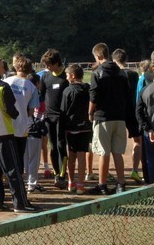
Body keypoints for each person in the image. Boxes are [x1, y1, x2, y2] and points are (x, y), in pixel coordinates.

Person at [0, 55, 36, 213]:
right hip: (4, 132)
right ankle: (20, 204)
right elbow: (12, 111)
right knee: (13, 170)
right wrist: (15, 113)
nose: (5, 70)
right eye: (2, 67)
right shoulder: (3, 87)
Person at [88, 42, 129, 195]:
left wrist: (90, 113)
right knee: (117, 152)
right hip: (119, 116)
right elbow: (126, 94)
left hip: (103, 117)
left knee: (103, 152)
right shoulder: (121, 73)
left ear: (98, 56)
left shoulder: (97, 73)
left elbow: (94, 96)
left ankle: (102, 184)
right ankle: (121, 183)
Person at [111, 48, 142, 183]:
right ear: (126, 59)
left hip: (117, 111)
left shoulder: (114, 74)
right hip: (132, 110)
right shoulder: (133, 75)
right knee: (137, 140)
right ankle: (135, 170)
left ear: (114, 60)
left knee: (113, 143)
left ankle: (116, 173)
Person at [39, 49, 69, 189]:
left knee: (61, 145)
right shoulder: (45, 77)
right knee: (52, 145)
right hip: (49, 117)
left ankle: (63, 174)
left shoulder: (66, 77)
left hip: (62, 117)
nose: (47, 68)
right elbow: (41, 95)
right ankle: (57, 174)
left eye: (49, 65)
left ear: (57, 63)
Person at [60, 64, 91, 195]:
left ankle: (71, 182)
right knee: (82, 155)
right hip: (84, 127)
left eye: (67, 75)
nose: (66, 77)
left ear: (72, 76)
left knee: (71, 155)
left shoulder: (67, 91)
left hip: (70, 128)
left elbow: (63, 110)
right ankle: (80, 184)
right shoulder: (88, 89)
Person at [4, 55, 39, 164]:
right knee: (19, 157)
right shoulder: (32, 87)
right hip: (22, 126)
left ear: (17, 67)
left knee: (6, 156)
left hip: (6, 124)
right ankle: (19, 177)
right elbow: (31, 110)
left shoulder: (7, 81)